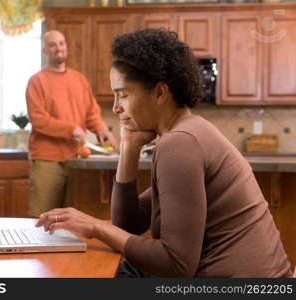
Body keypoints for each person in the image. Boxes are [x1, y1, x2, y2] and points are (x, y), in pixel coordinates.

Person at [36, 28, 293, 277]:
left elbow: (176, 266)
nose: (115, 107)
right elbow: (129, 225)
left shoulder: (180, 144)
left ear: (159, 93)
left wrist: (95, 227)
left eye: (123, 95)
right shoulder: (188, 132)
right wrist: (129, 147)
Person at [26, 30, 117, 218]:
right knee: (42, 219)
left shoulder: (79, 80)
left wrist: (100, 129)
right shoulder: (37, 81)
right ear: (45, 50)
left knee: (73, 222)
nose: (58, 48)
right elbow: (38, 120)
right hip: (47, 160)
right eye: (52, 45)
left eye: (61, 43)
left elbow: (91, 112)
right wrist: (71, 129)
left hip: (77, 160)